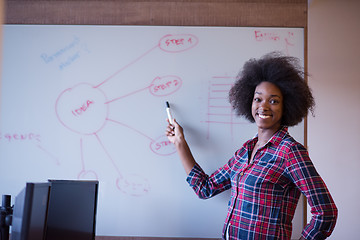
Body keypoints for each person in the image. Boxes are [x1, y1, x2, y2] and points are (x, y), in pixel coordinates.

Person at [165, 52, 338, 240]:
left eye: (273, 101)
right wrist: (180, 142)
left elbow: (326, 212)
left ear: (287, 106)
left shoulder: (290, 152)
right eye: (258, 99)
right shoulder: (245, 151)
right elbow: (205, 188)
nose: (263, 106)